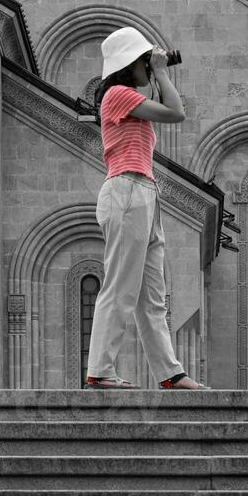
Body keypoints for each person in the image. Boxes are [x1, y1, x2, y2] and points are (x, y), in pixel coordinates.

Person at [85, 26, 210, 391]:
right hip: (126, 190)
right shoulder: (117, 94)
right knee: (121, 286)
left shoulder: (127, 99)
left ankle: (169, 372)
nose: (148, 64)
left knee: (152, 296)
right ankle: (100, 371)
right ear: (130, 64)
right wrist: (162, 71)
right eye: (143, 59)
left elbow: (172, 112)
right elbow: (176, 112)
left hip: (143, 194)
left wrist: (157, 70)